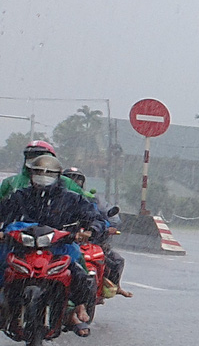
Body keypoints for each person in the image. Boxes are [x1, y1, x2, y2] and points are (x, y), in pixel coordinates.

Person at [0, 153, 104, 330]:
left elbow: (94, 217)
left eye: (49, 173)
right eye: (39, 172)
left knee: (80, 276)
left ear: (58, 176)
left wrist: (90, 230)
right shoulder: (20, 196)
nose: (43, 177)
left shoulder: (71, 198)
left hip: (59, 247)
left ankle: (76, 309)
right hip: (21, 248)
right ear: (31, 174)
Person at [61, 168, 132, 298]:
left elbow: (100, 217)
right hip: (63, 240)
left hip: (90, 240)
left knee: (115, 260)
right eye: (70, 178)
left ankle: (114, 286)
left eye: (77, 179)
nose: (74, 182)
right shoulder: (57, 199)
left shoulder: (90, 199)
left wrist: (102, 227)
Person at [0, 141, 88, 199]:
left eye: (38, 155)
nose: (33, 159)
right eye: (29, 155)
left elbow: (85, 209)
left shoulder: (68, 184)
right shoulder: (10, 182)